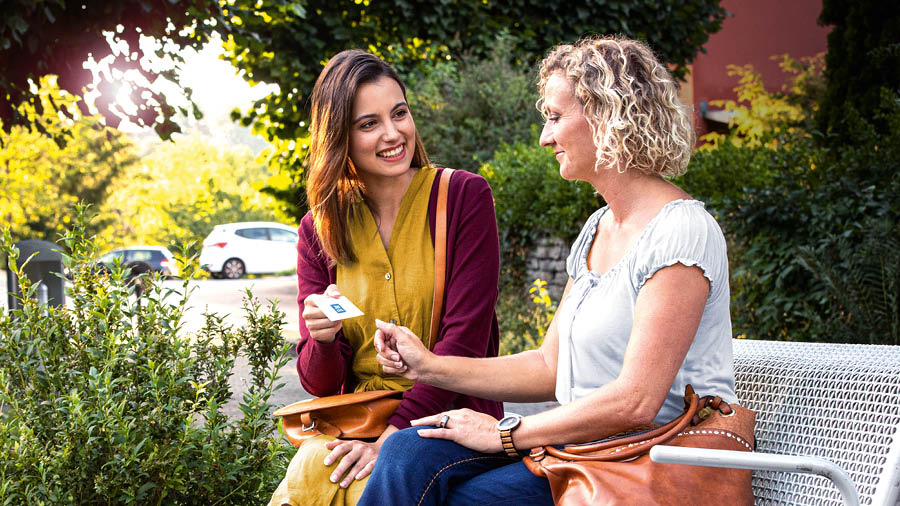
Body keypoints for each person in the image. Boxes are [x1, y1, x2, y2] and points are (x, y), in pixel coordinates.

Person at [358, 35, 739, 506]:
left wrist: (505, 432)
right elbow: (548, 366)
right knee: (405, 453)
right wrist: (430, 367)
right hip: (582, 455)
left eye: (555, 117)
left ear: (608, 114)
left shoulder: (682, 231)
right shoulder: (599, 227)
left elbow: (637, 402)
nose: (544, 136)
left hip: (649, 464)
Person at [268, 49, 504, 506]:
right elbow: (320, 384)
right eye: (368, 123)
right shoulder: (320, 228)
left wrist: (388, 439)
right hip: (360, 418)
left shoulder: (463, 197)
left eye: (399, 113)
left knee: (380, 468)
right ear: (340, 137)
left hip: (452, 417)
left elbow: (466, 342)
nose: (394, 134)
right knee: (312, 468)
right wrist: (321, 338)